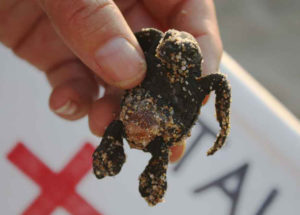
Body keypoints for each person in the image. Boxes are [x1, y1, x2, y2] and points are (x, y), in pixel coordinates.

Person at [0, 0, 222, 162]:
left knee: (122, 126)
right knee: (118, 125)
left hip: (153, 118)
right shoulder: (162, 49)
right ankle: (119, 151)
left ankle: (125, 155)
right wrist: (111, 41)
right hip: (155, 122)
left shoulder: (161, 50)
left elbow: (218, 84)